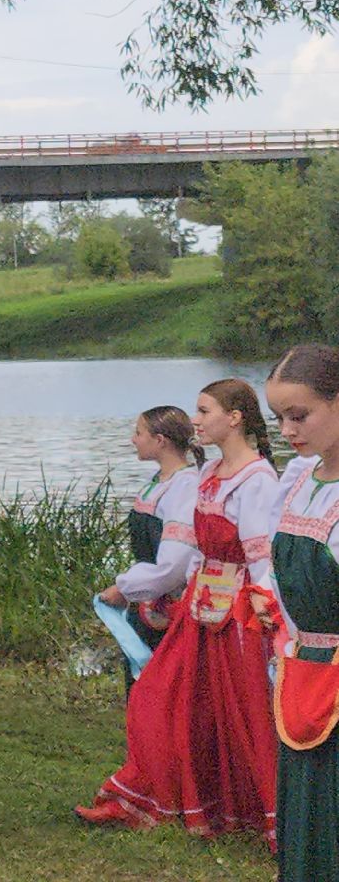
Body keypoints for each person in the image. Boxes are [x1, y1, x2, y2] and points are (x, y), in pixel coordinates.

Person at [79, 378, 281, 840]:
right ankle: (147, 794)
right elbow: (190, 550)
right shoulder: (207, 476)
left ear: (234, 418)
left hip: (240, 614)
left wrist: (267, 616)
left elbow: (260, 557)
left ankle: (261, 815)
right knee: (160, 697)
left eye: (205, 410)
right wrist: (162, 595)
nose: (196, 420)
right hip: (199, 605)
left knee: (243, 712)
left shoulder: (258, 479)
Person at [266, 344, 339, 880]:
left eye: (300, 415)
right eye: (279, 418)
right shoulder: (298, 481)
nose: (288, 430)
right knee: (308, 812)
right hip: (302, 674)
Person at [97, 405, 205, 683]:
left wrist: (125, 587)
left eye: (139, 432)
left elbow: (175, 562)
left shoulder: (185, 486)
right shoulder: (157, 482)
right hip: (148, 601)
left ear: (160, 440)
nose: (134, 439)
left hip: (169, 606)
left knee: (164, 685)